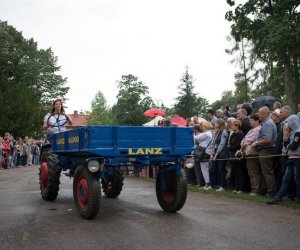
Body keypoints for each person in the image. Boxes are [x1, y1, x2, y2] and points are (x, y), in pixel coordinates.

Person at [267, 115, 300, 204]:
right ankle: (279, 196)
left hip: (298, 159)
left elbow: (294, 146)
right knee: (286, 178)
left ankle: (298, 197)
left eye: (289, 123)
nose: (287, 125)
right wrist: (286, 137)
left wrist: (288, 146)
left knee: (297, 178)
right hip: (291, 157)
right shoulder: (292, 133)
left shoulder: (298, 132)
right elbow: (286, 144)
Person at [252, 106, 277, 197]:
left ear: (264, 113)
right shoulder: (267, 123)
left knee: (267, 172)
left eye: (259, 113)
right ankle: (264, 190)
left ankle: (271, 192)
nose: (258, 115)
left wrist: (257, 143)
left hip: (266, 150)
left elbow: (267, 139)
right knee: (265, 172)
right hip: (265, 150)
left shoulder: (267, 124)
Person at [240, 114, 264, 196]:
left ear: (257, 121)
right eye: (250, 120)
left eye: (252, 120)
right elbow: (244, 139)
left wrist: (244, 143)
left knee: (254, 172)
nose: (250, 122)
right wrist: (244, 143)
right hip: (248, 152)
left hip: (253, 153)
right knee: (251, 172)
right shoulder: (251, 130)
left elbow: (249, 140)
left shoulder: (258, 129)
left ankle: (256, 190)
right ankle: (254, 188)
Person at [209, 118, 229, 191]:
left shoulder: (224, 132)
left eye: (217, 123)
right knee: (212, 169)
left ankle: (222, 186)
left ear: (220, 124)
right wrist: (212, 153)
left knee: (221, 170)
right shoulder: (217, 132)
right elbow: (213, 143)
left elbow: (222, 144)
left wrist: (216, 154)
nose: (216, 124)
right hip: (215, 153)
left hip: (222, 154)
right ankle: (213, 184)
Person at [195, 121, 213, 190]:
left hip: (204, 152)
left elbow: (195, 138)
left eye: (203, 126)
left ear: (206, 127)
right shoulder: (209, 133)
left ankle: (207, 184)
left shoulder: (206, 134)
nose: (202, 128)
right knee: (205, 168)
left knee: (204, 168)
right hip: (206, 152)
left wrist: (191, 133)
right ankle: (207, 183)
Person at [228, 120, 245, 193]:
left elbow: (238, 145)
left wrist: (229, 147)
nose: (232, 127)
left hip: (238, 155)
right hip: (232, 154)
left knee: (239, 171)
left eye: (233, 125)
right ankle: (235, 187)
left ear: (237, 126)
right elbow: (230, 143)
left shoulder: (240, 134)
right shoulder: (232, 134)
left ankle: (241, 188)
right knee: (234, 171)